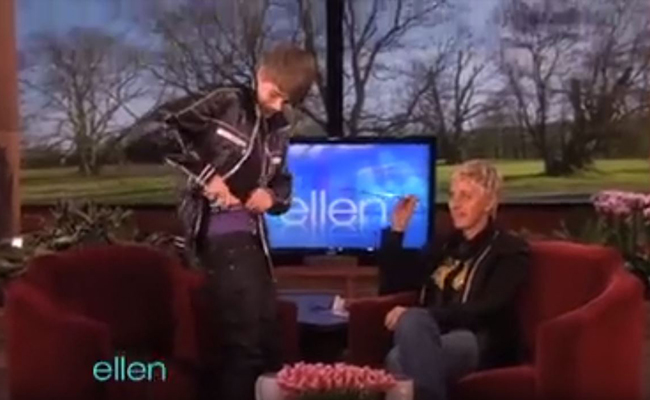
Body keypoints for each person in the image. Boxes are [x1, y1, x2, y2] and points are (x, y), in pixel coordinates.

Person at [160, 43, 317, 400]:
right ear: (260, 75)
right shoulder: (226, 101)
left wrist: (271, 198)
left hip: (253, 241)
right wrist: (207, 176)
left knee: (269, 344)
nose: (277, 106)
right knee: (245, 348)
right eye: (274, 94)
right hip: (216, 233)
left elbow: (283, 185)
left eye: (286, 102)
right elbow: (160, 128)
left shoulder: (279, 129)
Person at [378, 159, 530, 400]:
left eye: (466, 196)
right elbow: (400, 282)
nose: (456, 205)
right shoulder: (445, 244)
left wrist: (426, 316)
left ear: (489, 202)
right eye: (452, 195)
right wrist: (397, 231)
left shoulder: (509, 249)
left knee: (401, 350)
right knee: (402, 348)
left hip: (479, 340)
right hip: (433, 334)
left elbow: (488, 308)